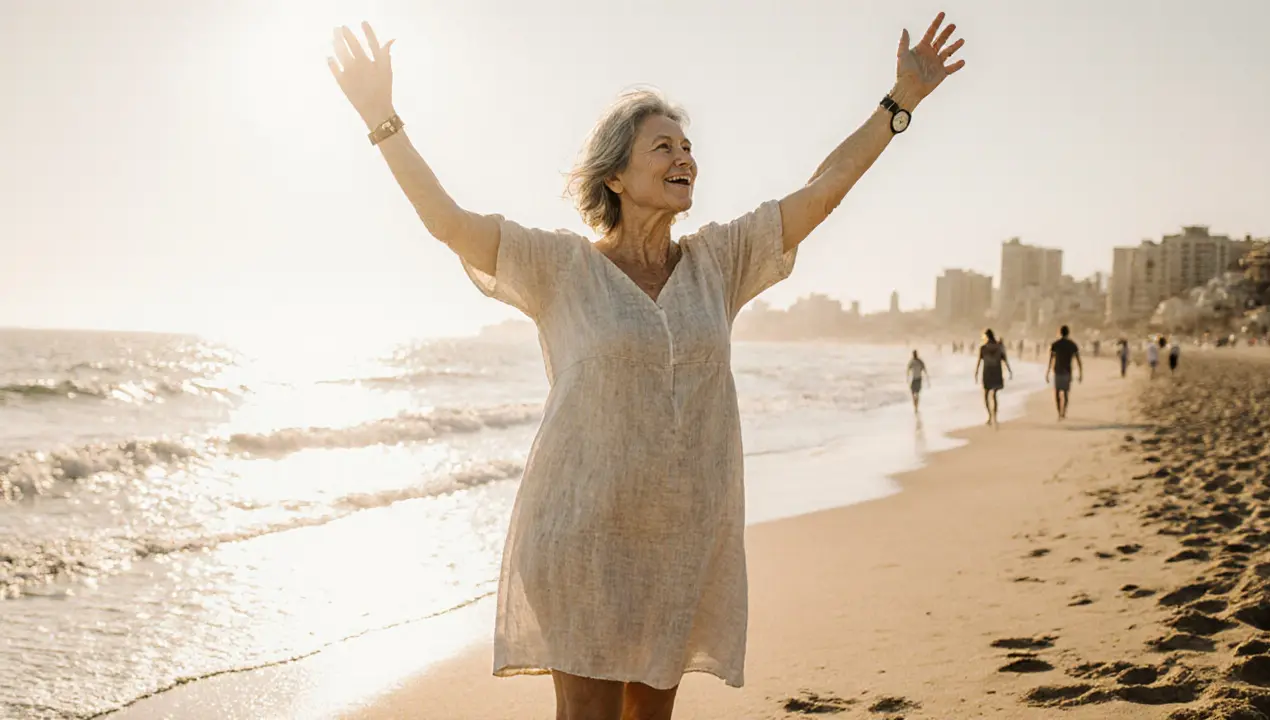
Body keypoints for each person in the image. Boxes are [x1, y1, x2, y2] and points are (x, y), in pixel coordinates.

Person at [327, 14, 966, 719]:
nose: (683, 157)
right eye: (663, 147)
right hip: (578, 536)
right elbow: (448, 221)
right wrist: (382, 117)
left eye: (687, 146)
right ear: (617, 177)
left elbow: (821, 192)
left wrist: (899, 101)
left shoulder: (719, 262)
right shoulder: (561, 268)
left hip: (679, 542)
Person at [975, 328, 1012, 427]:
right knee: (994, 395)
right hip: (996, 372)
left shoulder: (983, 348)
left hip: (987, 372)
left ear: (986, 336)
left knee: (986, 395)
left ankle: (989, 416)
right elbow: (1005, 359)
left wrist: (976, 372)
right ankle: (994, 416)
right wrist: (1009, 370)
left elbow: (979, 361)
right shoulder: (998, 347)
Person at [1046, 325, 1083, 420]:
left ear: (1060, 332)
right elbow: (1078, 359)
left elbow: (1051, 359)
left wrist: (1047, 372)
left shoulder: (1055, 344)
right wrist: (1080, 373)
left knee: (1057, 393)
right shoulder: (1072, 344)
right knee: (1066, 393)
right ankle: (1064, 412)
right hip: (1067, 372)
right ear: (1068, 333)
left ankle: (1059, 412)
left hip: (1057, 371)